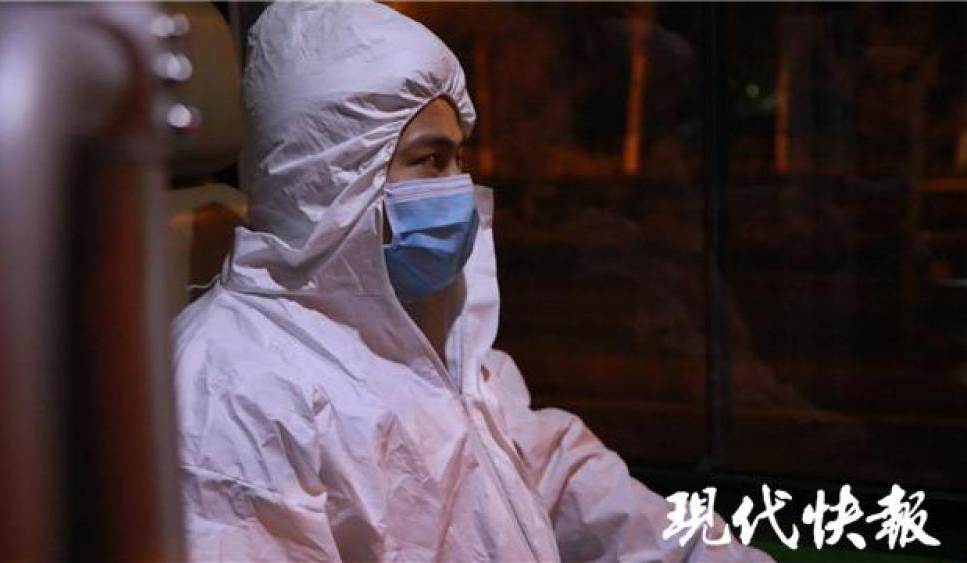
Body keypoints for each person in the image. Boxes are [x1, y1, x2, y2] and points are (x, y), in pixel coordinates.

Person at [173, 2, 772, 561]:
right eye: (431, 160)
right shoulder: (234, 388)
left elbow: (563, 476)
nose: (459, 189)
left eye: (460, 158)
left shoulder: (428, 342)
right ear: (335, 178)